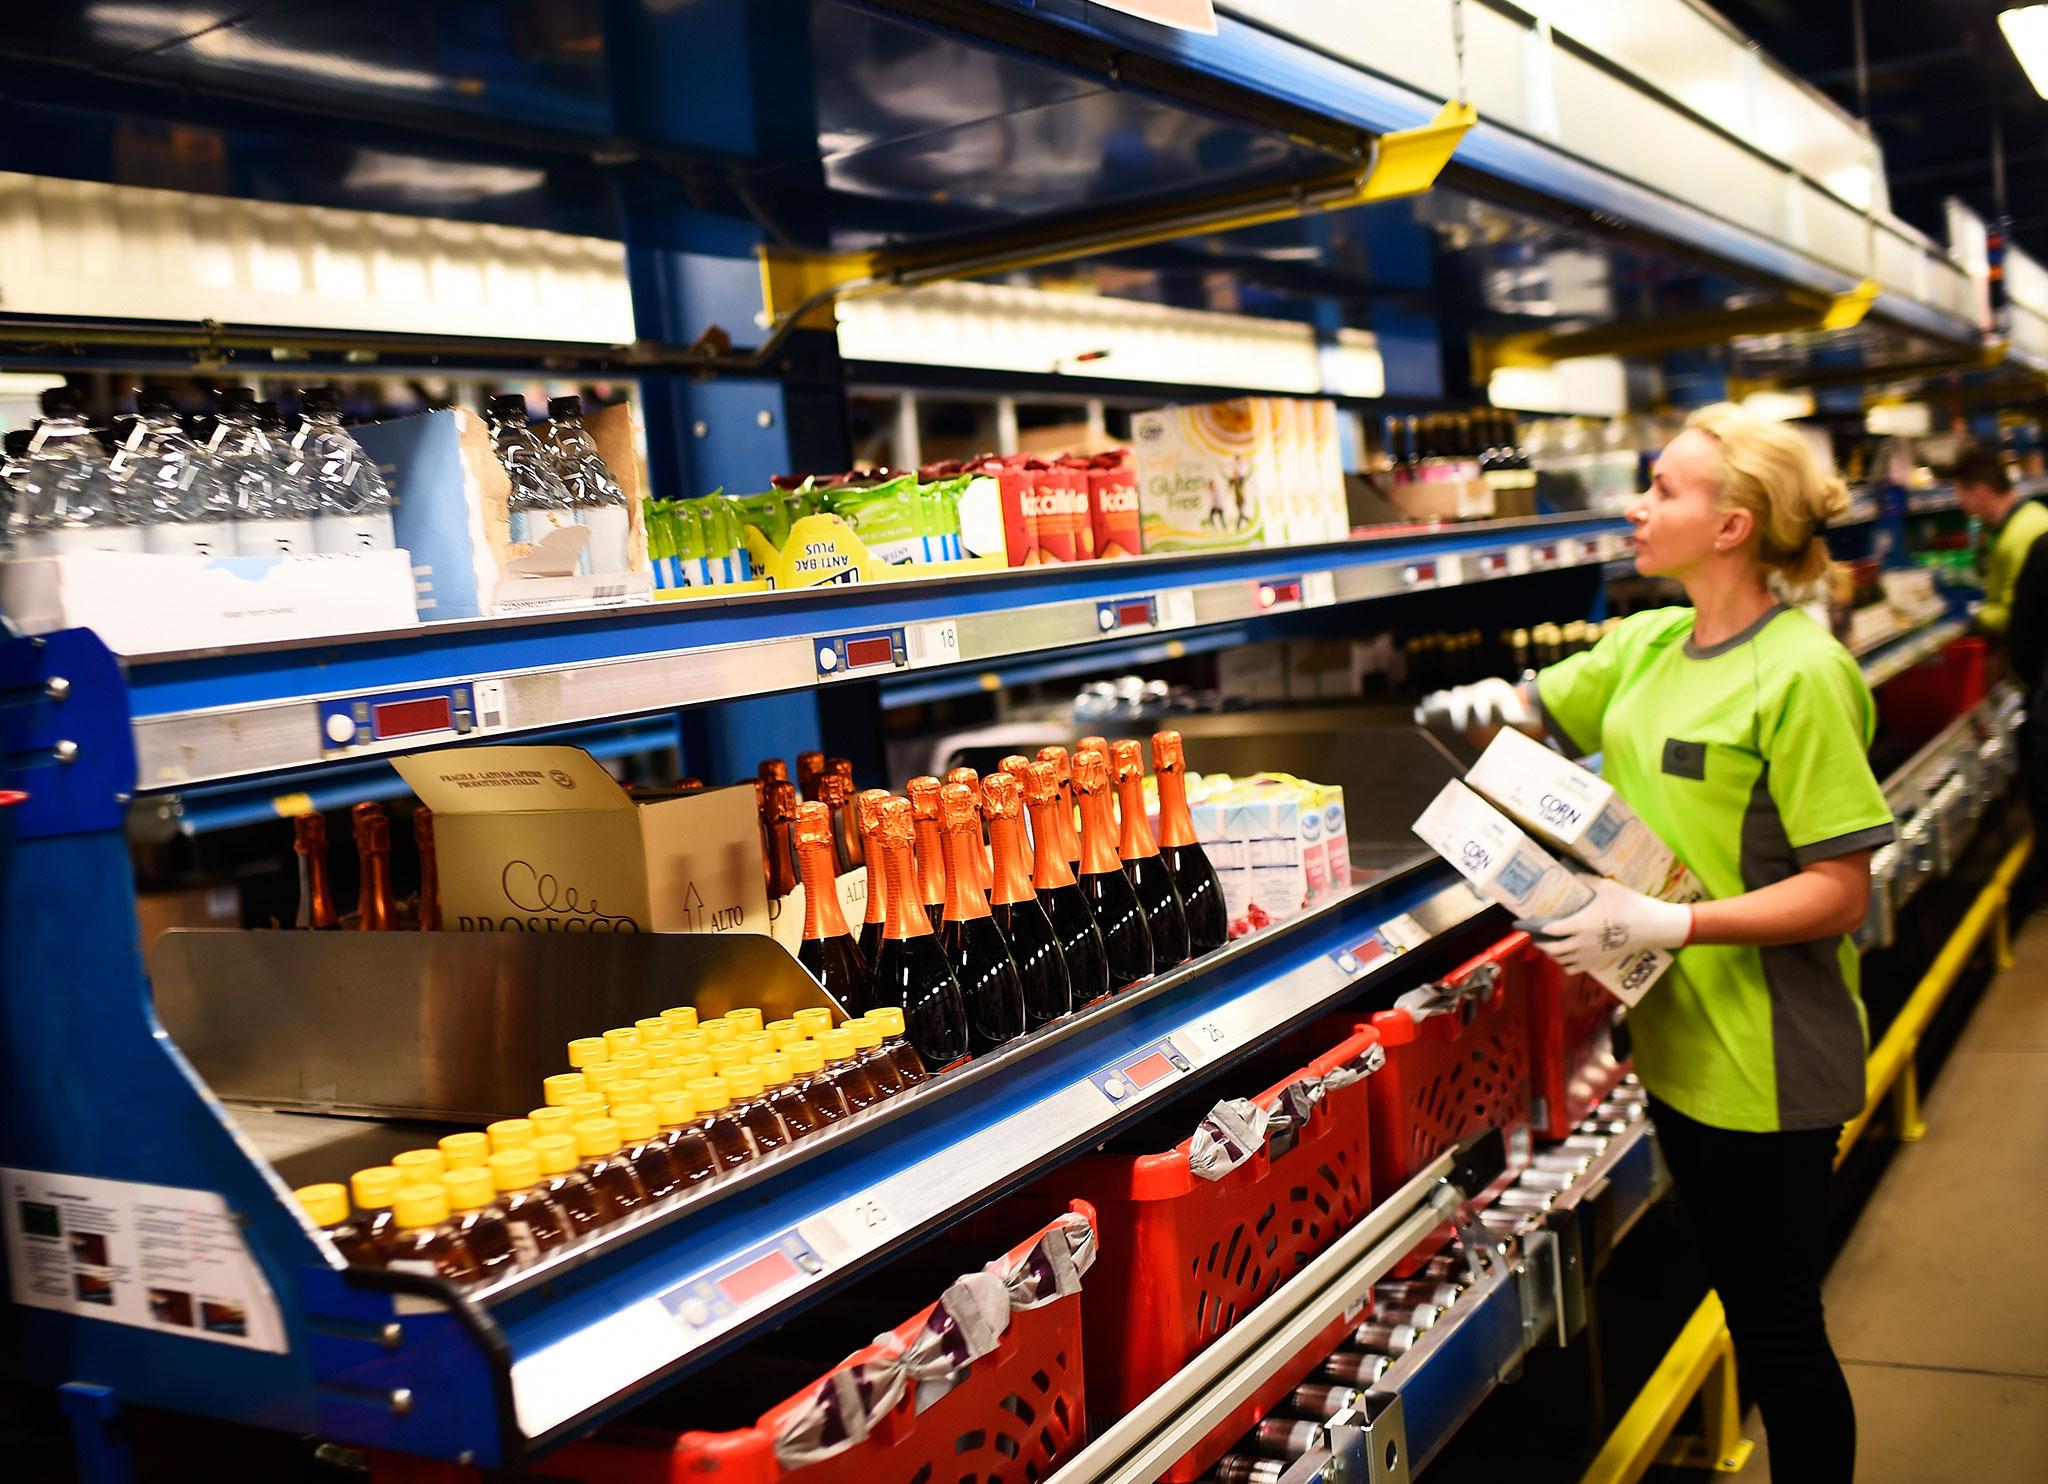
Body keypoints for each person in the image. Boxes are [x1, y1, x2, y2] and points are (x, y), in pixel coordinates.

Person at [1423, 403, 1891, 1483]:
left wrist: (1669, 921)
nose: (1637, 507)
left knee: (1777, 1326)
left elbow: (1837, 891)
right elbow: (1539, 708)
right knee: (1738, 1292)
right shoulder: (1644, 642)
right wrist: (1499, 701)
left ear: (1731, 525)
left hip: (1768, 1061)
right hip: (1675, 1044)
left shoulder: (1800, 672)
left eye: (1663, 490)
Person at [1952, 444, 2047, 647]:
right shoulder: (2029, 515)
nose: (1960, 503)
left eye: (1960, 494)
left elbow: (2014, 615)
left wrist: (1971, 614)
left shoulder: (2021, 535)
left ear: (1979, 492)